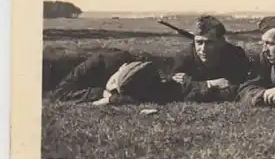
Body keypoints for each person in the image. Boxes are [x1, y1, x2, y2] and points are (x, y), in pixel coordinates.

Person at [168, 15, 252, 103]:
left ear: (221, 42)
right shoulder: (183, 58)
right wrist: (210, 84)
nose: (203, 49)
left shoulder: (235, 55)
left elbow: (240, 89)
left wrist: (192, 85)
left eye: (209, 43)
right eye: (199, 42)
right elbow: (176, 92)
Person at [51, 49, 181, 105]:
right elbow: (59, 93)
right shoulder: (97, 63)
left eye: (117, 88)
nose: (112, 87)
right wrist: (101, 93)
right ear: (122, 67)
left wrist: (112, 99)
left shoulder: (149, 78)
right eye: (114, 81)